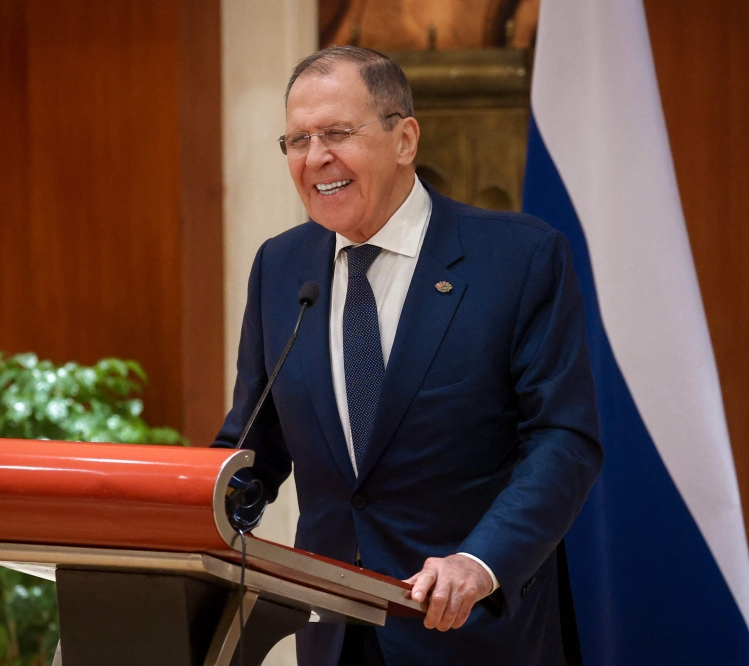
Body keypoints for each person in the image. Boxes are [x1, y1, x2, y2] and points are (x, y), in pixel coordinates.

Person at [213, 46, 603, 666]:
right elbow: (253, 443)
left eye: (338, 133)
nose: (316, 159)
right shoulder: (281, 267)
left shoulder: (519, 259)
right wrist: (186, 516)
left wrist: (481, 561)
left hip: (469, 632)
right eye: (296, 140)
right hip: (333, 634)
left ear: (404, 139)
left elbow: (563, 439)